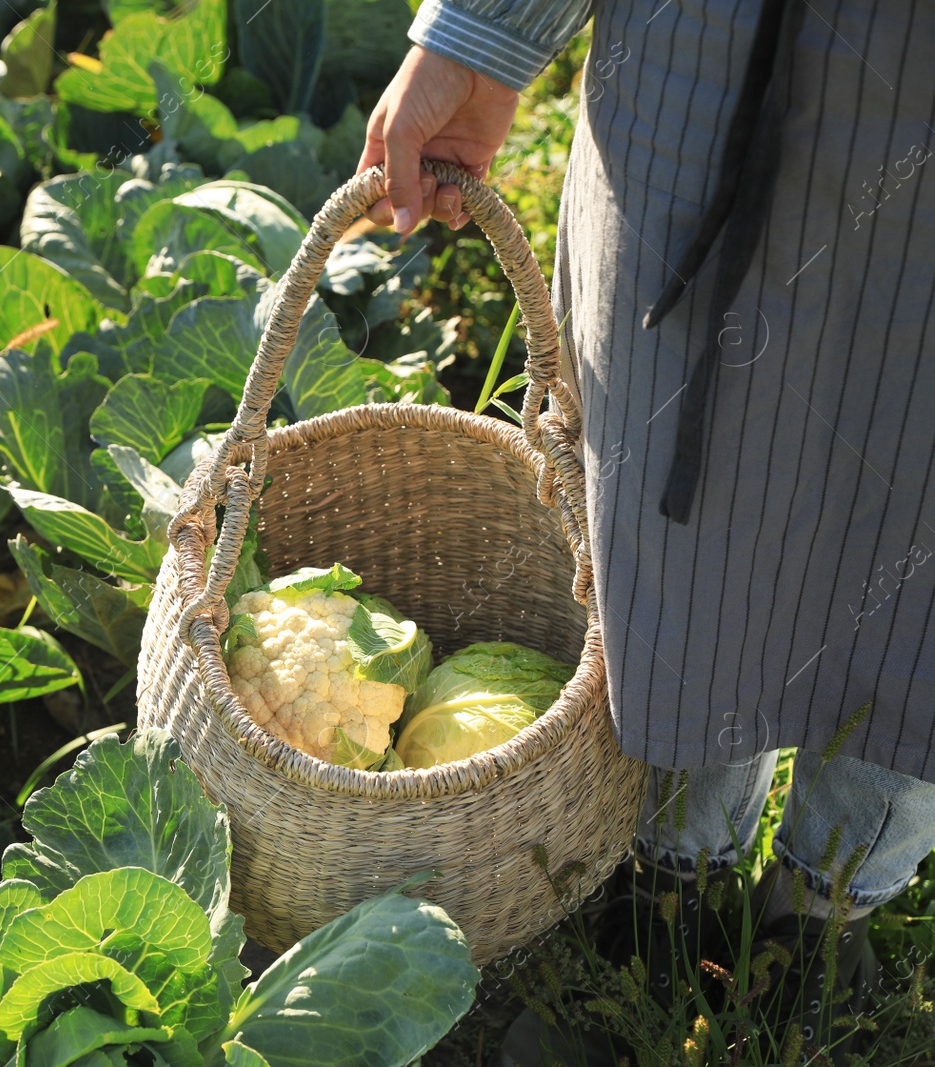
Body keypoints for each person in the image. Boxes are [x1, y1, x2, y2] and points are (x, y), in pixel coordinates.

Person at [358, 1, 935, 1063]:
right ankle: (670, 880)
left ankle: (826, 913)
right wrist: (478, 39)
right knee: (692, 479)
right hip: (711, 52)